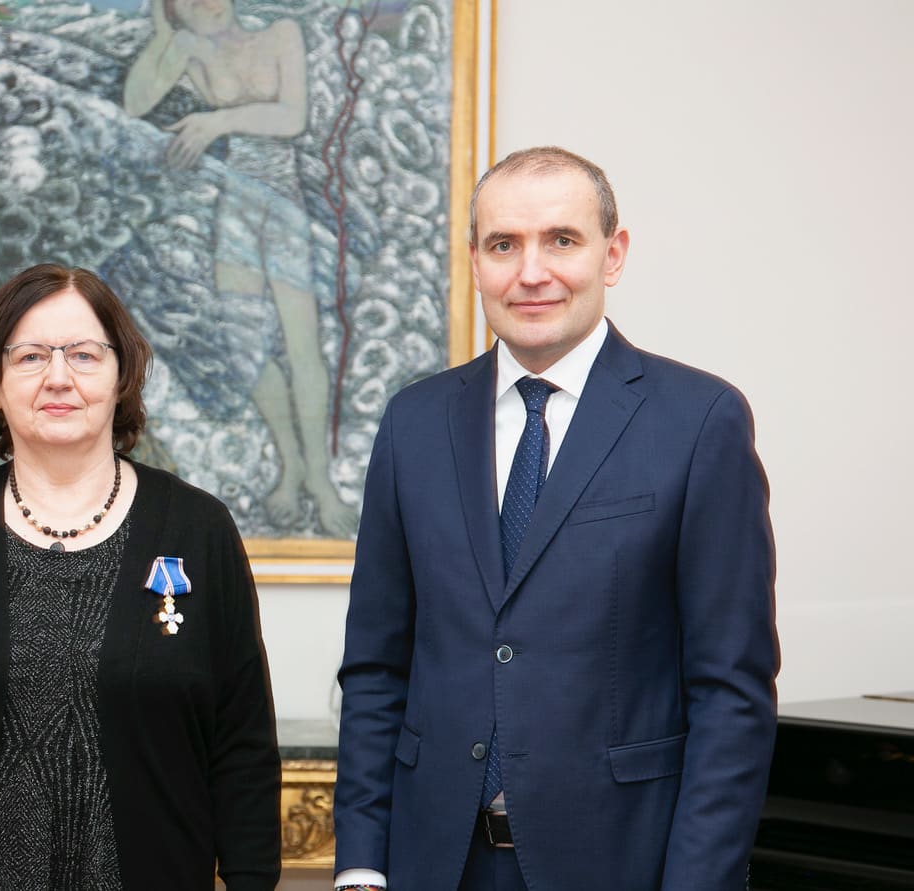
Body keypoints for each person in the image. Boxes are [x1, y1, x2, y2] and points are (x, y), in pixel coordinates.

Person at [333, 147, 778, 890]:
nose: (531, 272)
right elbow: (377, 669)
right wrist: (360, 867)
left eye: (562, 240)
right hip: (433, 864)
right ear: (475, 261)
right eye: (504, 245)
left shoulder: (700, 421)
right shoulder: (414, 422)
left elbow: (730, 694)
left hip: (618, 865)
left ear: (613, 254)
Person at [0, 263, 281, 889]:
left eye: (84, 355)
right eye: (31, 356)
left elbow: (243, 741)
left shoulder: (198, 529)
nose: (59, 377)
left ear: (121, 377)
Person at [123, 0, 355, 537]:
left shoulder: (281, 33)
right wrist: (162, 36)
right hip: (235, 210)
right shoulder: (190, 51)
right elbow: (133, 103)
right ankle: (290, 465)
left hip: (283, 205)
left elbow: (292, 117)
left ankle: (320, 481)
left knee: (302, 345)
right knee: (245, 348)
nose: (205, 3)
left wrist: (216, 121)